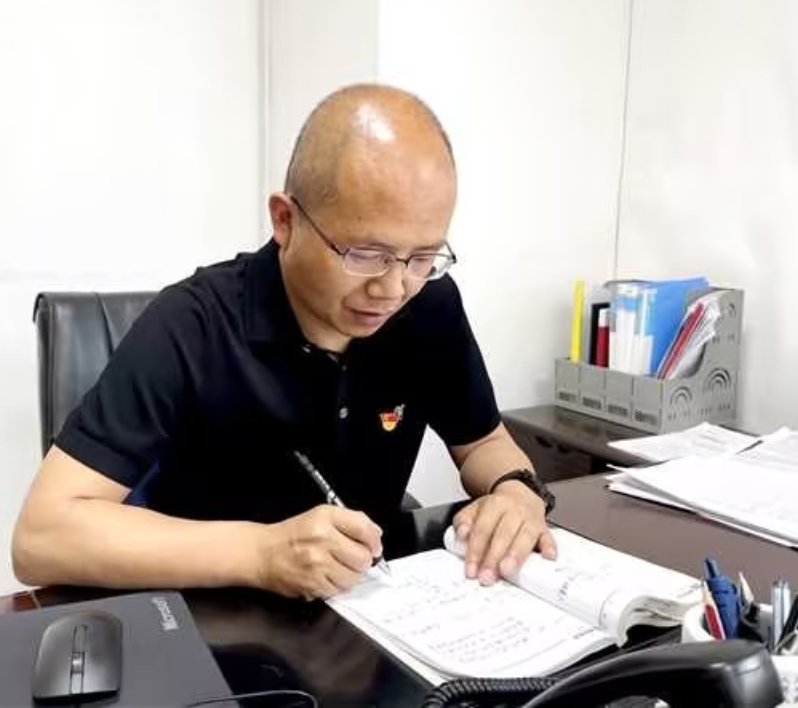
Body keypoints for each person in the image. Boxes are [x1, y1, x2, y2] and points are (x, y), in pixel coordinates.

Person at [12, 84, 556, 600]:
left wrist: (515, 490)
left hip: (369, 607)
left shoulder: (428, 305)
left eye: (422, 257)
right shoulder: (192, 324)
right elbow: (40, 538)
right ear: (285, 220)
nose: (392, 289)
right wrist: (262, 553)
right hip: (213, 617)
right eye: (365, 254)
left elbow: (482, 443)